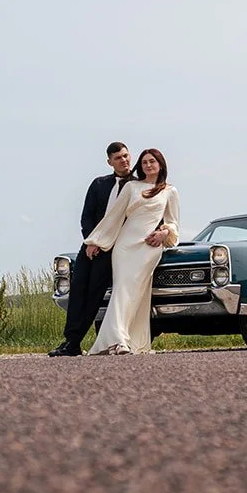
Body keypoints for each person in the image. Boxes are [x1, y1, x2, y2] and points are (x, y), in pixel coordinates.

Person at [83, 148, 180, 355]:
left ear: (161, 164)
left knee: (137, 295)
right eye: (144, 162)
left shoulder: (169, 191)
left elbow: (173, 223)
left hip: (149, 249)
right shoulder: (131, 187)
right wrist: (95, 241)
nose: (148, 165)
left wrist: (164, 233)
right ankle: (119, 341)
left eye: (152, 161)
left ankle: (127, 341)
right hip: (125, 248)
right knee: (122, 291)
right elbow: (114, 217)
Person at [48, 142, 133, 357]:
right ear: (109, 162)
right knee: (78, 291)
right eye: (118, 158)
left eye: (125, 156)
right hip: (89, 247)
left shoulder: (137, 185)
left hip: (114, 250)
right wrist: (91, 241)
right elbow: (86, 216)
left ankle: (76, 341)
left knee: (94, 296)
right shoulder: (99, 184)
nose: (123, 160)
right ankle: (71, 341)